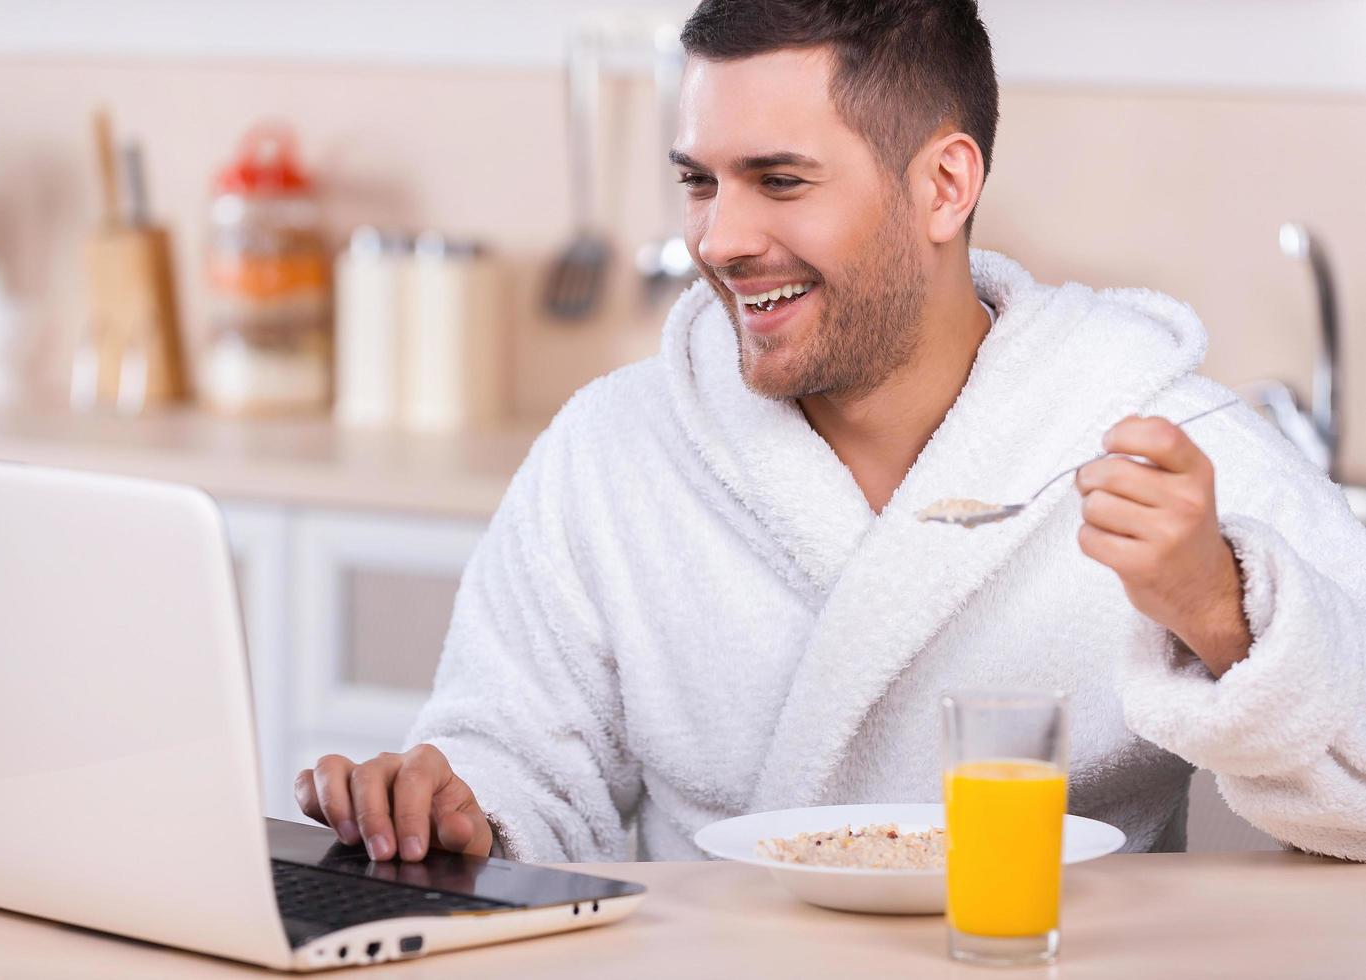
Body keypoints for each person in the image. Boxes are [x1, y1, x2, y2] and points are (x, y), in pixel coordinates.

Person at [296, 0, 1366, 865]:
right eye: (699, 182)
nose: (719, 239)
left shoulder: (1153, 442)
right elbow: (521, 765)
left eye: (779, 180)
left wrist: (1223, 612)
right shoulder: (616, 448)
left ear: (946, 185)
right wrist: (450, 805)